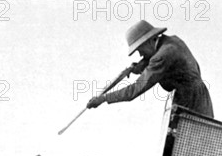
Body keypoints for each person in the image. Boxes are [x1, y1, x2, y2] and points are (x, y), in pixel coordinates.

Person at [86, 20, 214, 117]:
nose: (141, 55)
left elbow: (135, 89)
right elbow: (155, 60)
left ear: (149, 41)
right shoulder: (171, 41)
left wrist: (104, 98)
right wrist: (137, 67)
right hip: (195, 98)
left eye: (140, 50)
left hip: (191, 103)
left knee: (183, 148)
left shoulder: (163, 55)